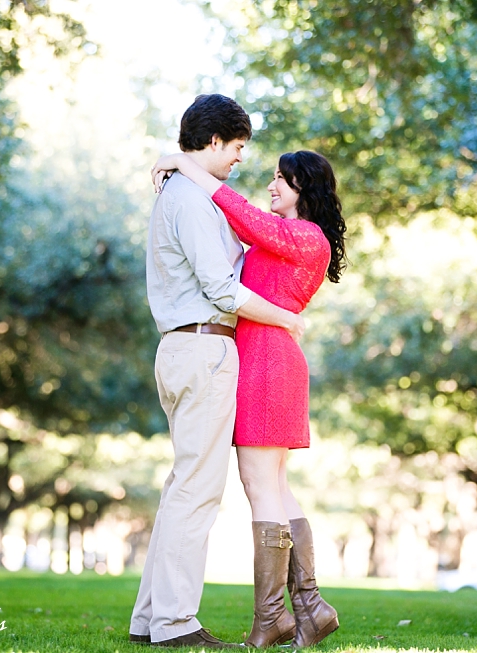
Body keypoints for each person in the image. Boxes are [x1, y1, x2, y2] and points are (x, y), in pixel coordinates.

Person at [150, 147, 347, 649]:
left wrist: (181, 161)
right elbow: (232, 230)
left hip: (265, 362)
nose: (272, 186)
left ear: (306, 186)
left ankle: (274, 617)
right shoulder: (291, 238)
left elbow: (237, 211)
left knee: (261, 485)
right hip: (265, 357)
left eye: (282, 179)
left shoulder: (303, 235)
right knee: (274, 486)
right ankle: (309, 607)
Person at [129, 94, 306, 649]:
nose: (238, 159)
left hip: (186, 349)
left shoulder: (182, 191)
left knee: (183, 486)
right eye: (236, 148)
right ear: (212, 141)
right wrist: (287, 319)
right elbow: (224, 289)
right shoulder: (190, 200)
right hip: (203, 349)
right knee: (198, 493)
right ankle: (176, 626)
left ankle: (150, 618)